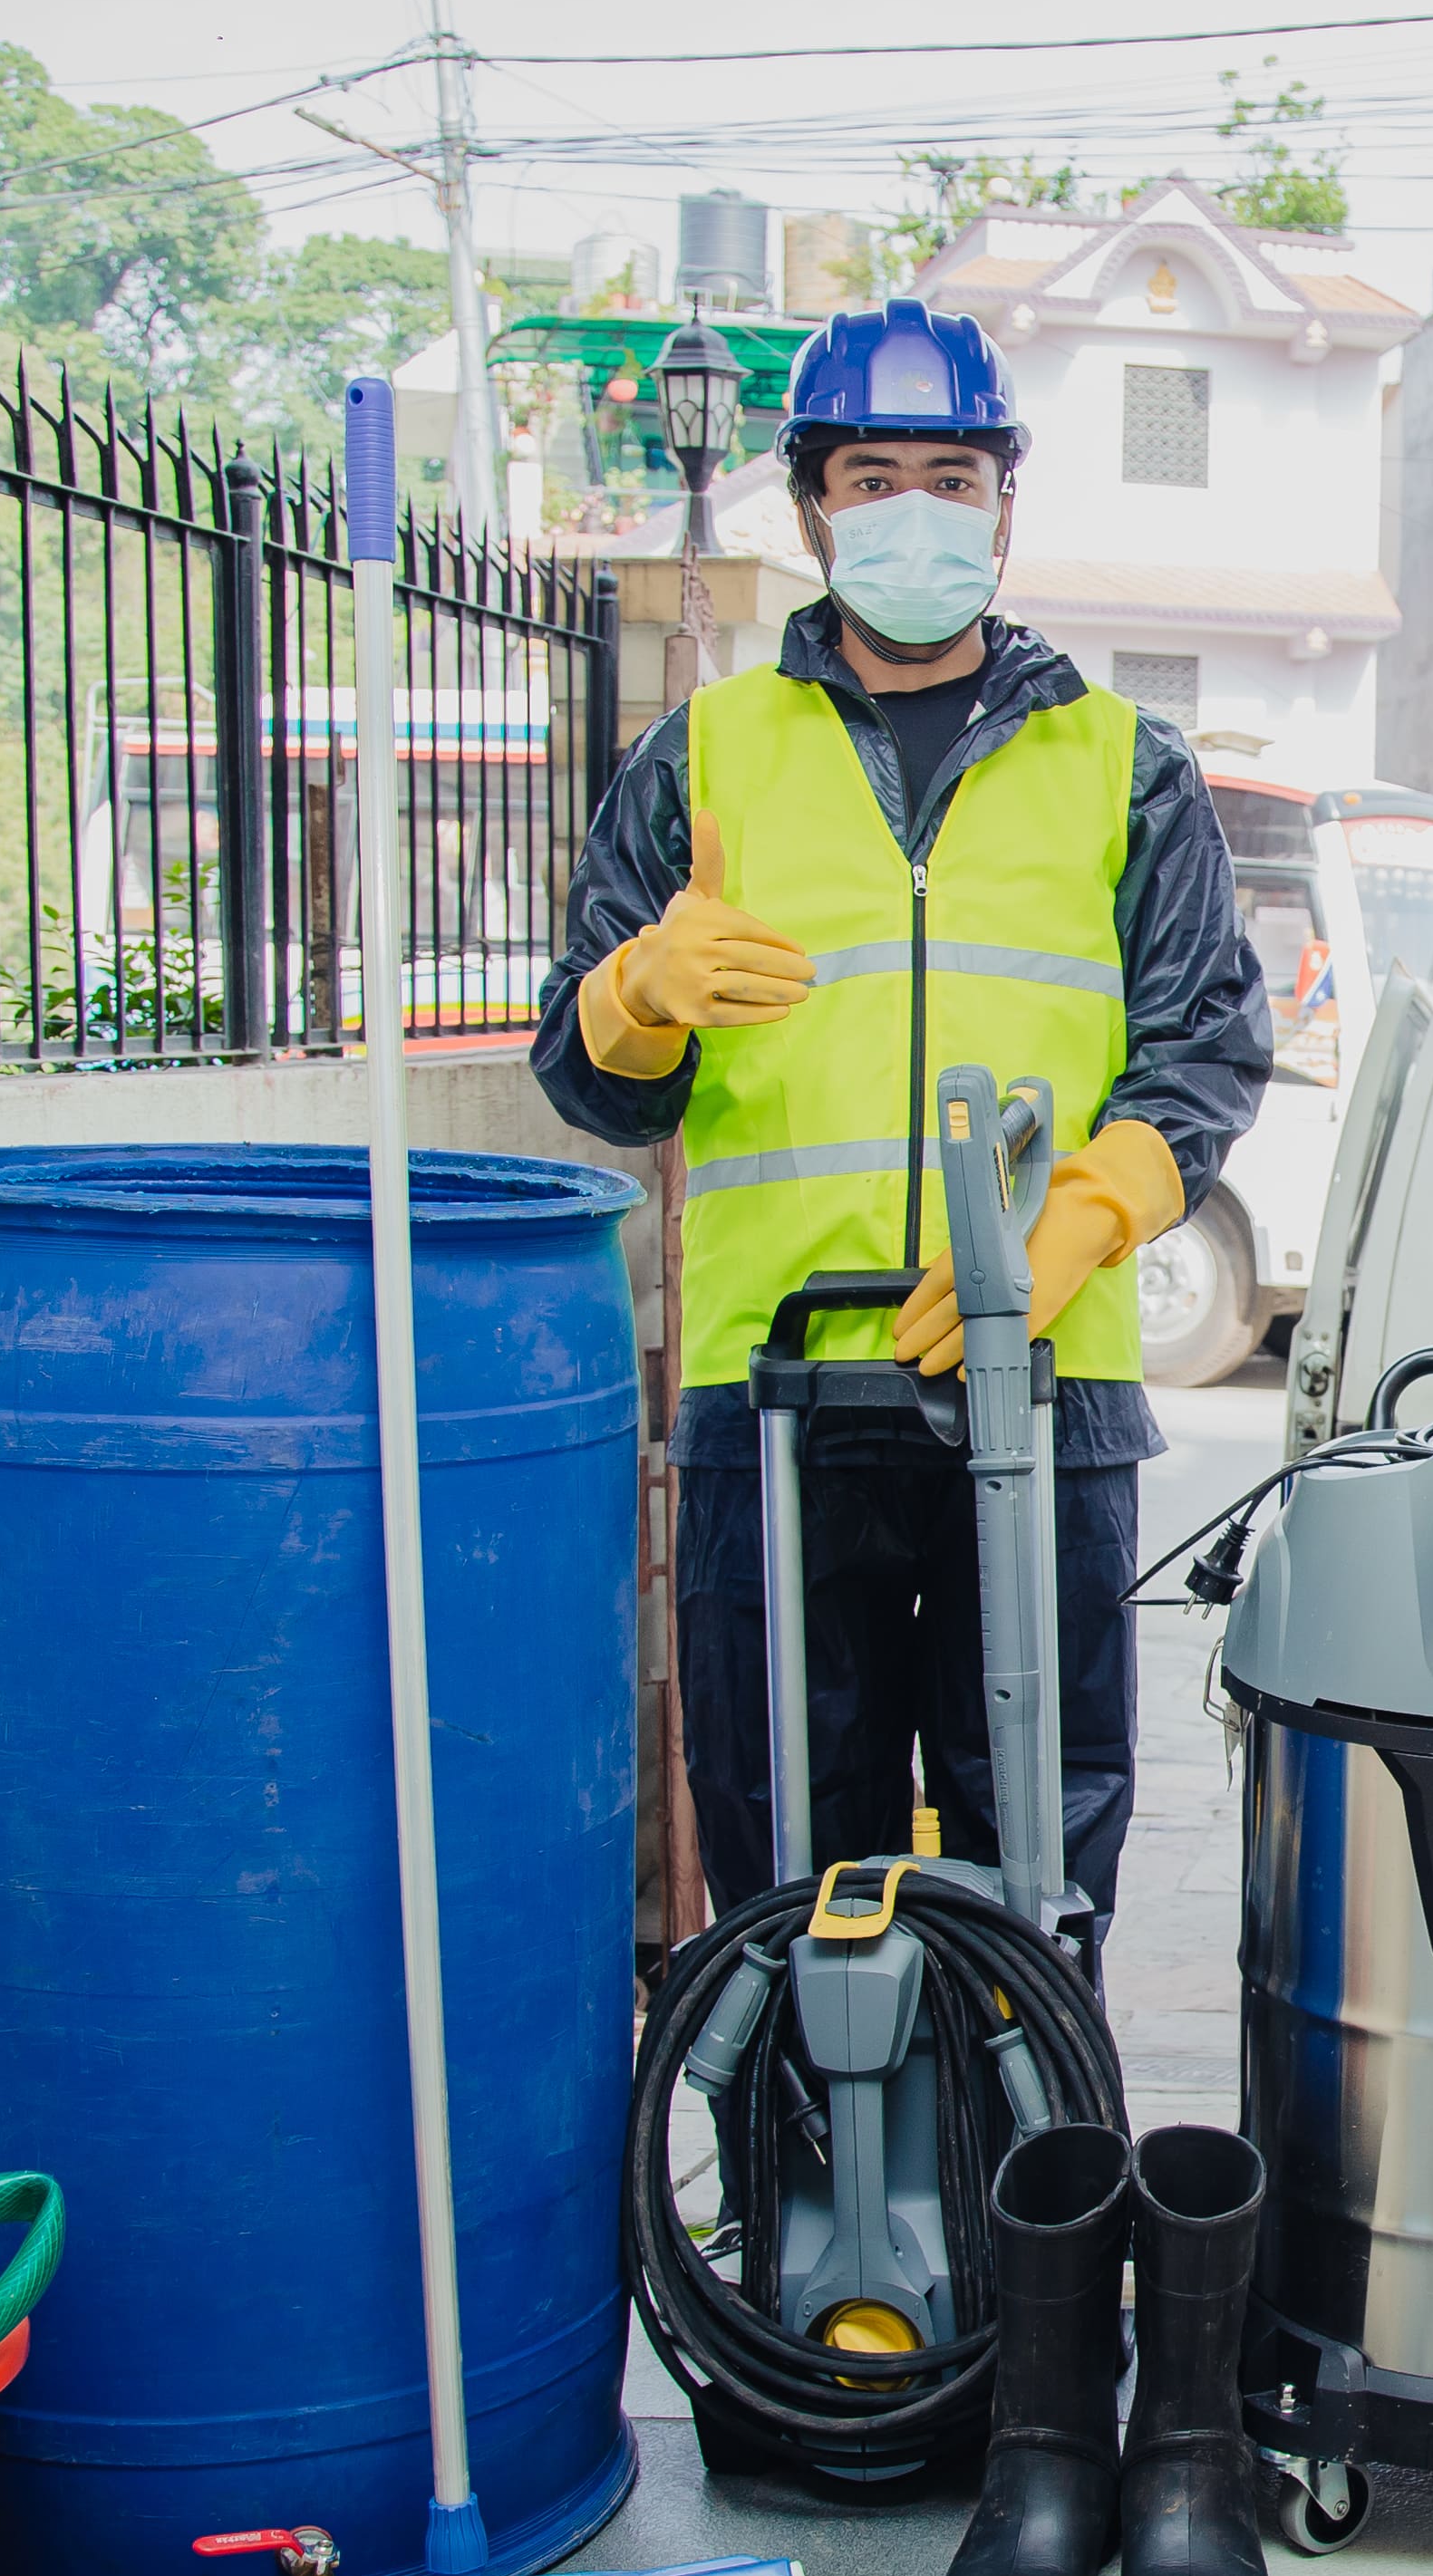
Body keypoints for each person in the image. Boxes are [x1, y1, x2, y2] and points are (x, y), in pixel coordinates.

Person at [532, 297, 1273, 1936]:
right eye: (873, 478)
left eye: (952, 476)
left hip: (1044, 1377)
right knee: (790, 1856)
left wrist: (1089, 1212)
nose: (914, 511)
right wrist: (635, 993)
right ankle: (797, 2107)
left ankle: (1025, 2104)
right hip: (774, 1390)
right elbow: (583, 1078)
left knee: (1036, 1860)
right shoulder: (705, 757)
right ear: (811, 506)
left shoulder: (1124, 767)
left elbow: (1207, 1049)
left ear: (1004, 501)